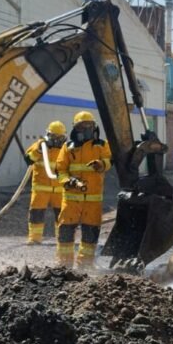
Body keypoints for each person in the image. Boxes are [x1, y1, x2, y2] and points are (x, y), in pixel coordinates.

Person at [55, 111, 111, 268]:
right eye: (82, 126)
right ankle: (63, 266)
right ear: (75, 128)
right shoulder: (68, 147)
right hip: (71, 199)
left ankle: (84, 265)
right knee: (65, 231)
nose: (86, 129)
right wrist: (68, 182)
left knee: (90, 233)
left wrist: (101, 165)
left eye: (89, 125)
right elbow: (60, 170)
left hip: (93, 200)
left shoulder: (101, 145)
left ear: (94, 127)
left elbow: (109, 161)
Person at [23, 121, 67, 245]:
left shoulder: (66, 149)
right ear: (48, 135)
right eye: (54, 137)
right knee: (36, 213)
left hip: (59, 189)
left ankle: (62, 238)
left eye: (60, 138)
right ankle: (34, 238)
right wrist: (39, 150)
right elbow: (28, 159)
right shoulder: (39, 146)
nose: (57, 141)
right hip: (41, 188)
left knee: (61, 215)